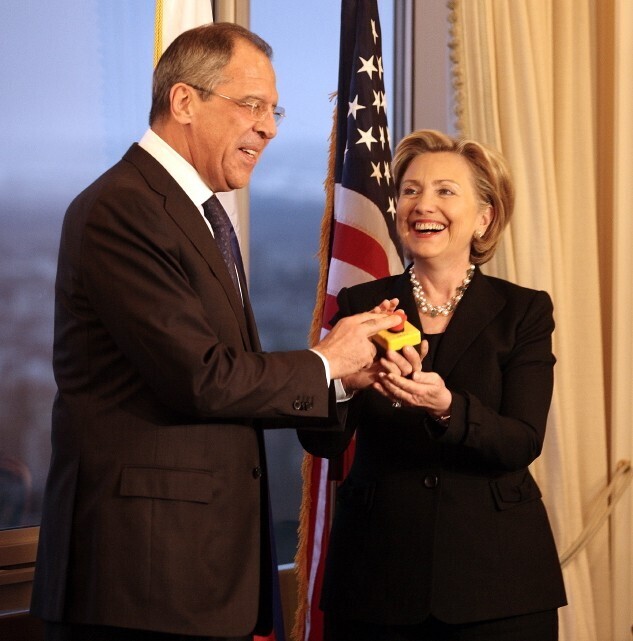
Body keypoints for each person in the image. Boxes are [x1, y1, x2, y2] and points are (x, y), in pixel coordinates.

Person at [30, 23, 400, 641]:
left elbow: (225, 378)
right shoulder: (124, 208)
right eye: (252, 105)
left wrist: (342, 378)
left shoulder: (197, 214)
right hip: (139, 584)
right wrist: (325, 362)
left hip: (190, 578)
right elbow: (200, 378)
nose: (270, 128)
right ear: (184, 101)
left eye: (274, 111)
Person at [299, 129, 567, 641]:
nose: (423, 204)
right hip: (375, 580)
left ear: (484, 217)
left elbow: (521, 441)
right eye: (411, 190)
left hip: (498, 585)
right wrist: (345, 383)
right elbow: (322, 442)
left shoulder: (524, 310)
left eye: (445, 191)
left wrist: (447, 407)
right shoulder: (361, 305)